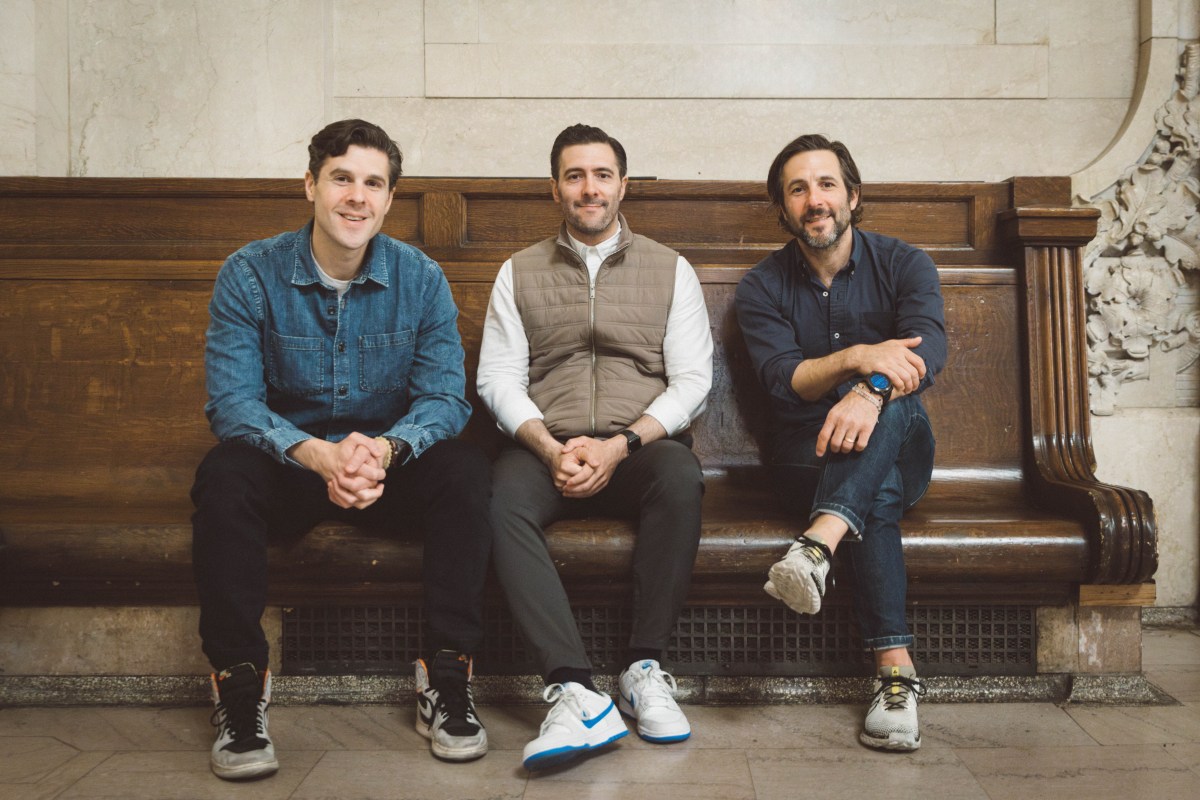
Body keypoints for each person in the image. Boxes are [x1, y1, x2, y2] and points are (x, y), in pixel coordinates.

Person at [191, 119, 493, 779]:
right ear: (310, 185)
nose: (357, 197)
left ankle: (446, 677)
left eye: (373, 183)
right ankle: (240, 691)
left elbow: (445, 399)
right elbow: (233, 403)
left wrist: (383, 451)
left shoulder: (420, 278)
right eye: (342, 179)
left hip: (387, 470)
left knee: (467, 469)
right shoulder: (250, 273)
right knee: (223, 477)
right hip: (291, 469)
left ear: (389, 199)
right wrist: (314, 454)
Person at [477, 123, 713, 770]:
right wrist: (551, 450)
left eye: (602, 175)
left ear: (623, 185)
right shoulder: (518, 271)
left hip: (638, 448)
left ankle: (645, 669)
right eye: (575, 175)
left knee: (681, 478)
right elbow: (497, 378)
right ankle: (575, 687)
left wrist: (621, 445)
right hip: (543, 446)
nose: (590, 188)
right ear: (555, 188)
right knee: (496, 499)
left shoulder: (671, 269)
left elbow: (693, 381)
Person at [734, 133, 946, 751]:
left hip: (905, 448)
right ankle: (895, 678)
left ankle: (817, 545)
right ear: (783, 208)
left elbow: (927, 353)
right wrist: (858, 356)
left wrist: (870, 390)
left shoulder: (906, 264)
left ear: (853, 195)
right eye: (797, 189)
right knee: (869, 493)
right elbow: (786, 380)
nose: (814, 199)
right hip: (807, 458)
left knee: (896, 415)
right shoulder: (762, 286)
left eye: (826, 184)